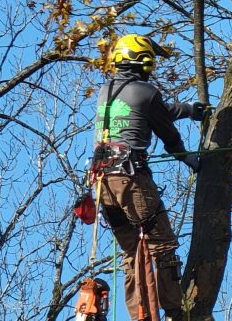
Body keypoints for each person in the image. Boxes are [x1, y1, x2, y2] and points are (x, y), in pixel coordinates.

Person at [92, 34, 203, 321]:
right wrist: (187, 158)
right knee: (162, 245)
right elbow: (166, 129)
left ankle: (140, 313)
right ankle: (175, 311)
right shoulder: (145, 91)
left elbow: (156, 112)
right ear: (142, 59)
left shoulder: (107, 90)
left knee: (132, 251)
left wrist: (189, 110)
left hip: (103, 182)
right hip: (131, 179)